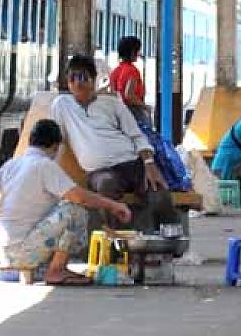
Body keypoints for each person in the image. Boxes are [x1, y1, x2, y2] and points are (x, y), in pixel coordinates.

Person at [0, 118, 132, 286]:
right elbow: (79, 197)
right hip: (23, 253)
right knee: (75, 210)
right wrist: (113, 205)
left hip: (2, 252)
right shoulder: (44, 165)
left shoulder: (12, 164)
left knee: (62, 207)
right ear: (55, 146)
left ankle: (53, 268)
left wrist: (0, 208)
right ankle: (56, 270)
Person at [51, 54, 178, 232]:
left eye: (83, 77)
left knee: (160, 193)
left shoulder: (112, 103)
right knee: (106, 186)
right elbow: (56, 139)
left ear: (93, 80)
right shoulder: (62, 105)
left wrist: (150, 164)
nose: (78, 83)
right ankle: (119, 240)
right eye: (73, 78)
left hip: (133, 163)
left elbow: (136, 135)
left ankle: (171, 240)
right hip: (101, 171)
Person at [109, 35, 149, 124]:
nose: (139, 53)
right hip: (134, 112)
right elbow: (129, 95)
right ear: (132, 52)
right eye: (137, 50)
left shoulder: (115, 72)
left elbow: (113, 94)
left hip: (119, 112)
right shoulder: (132, 70)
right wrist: (145, 106)